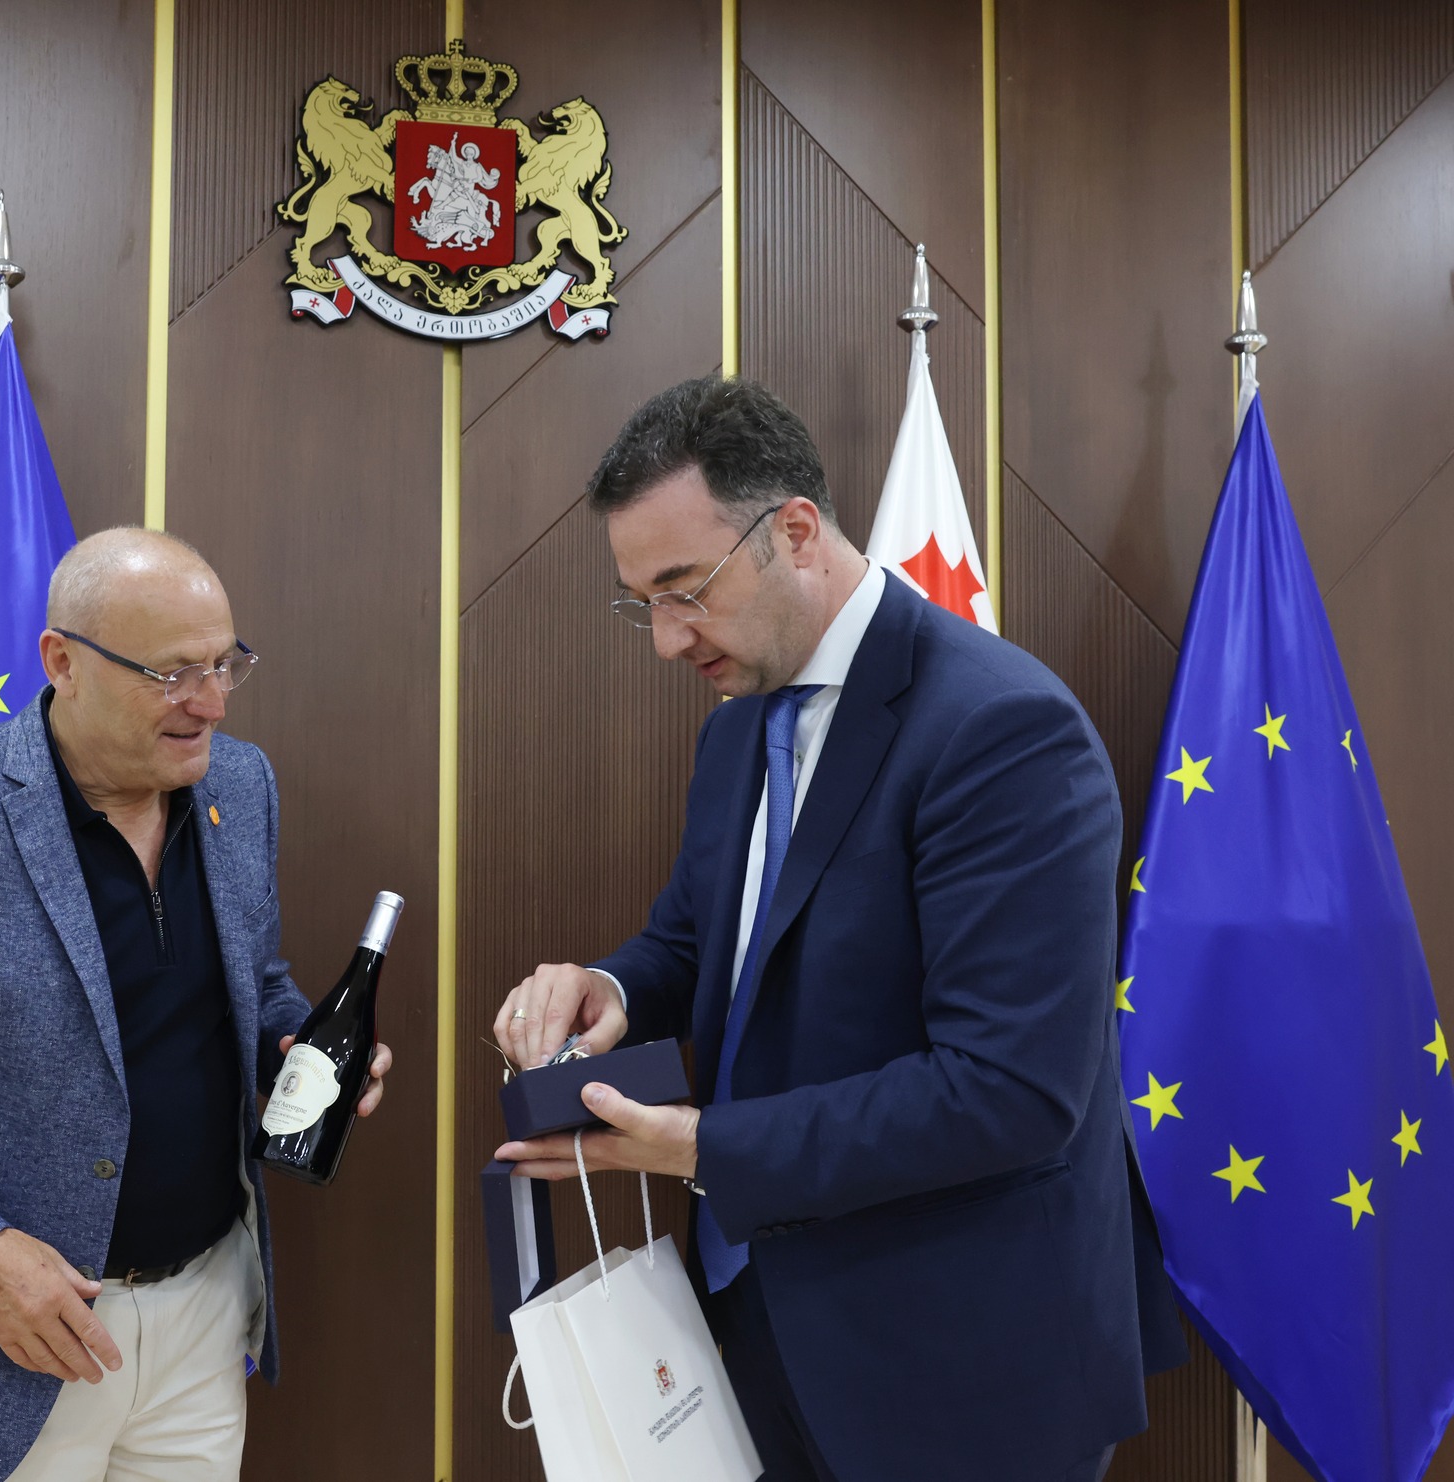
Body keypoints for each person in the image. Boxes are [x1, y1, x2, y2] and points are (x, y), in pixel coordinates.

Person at [492, 378, 1184, 1482]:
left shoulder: (1001, 729)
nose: (666, 640)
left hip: (960, 1363)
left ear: (796, 533)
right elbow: (702, 943)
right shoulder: (735, 731)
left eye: (684, 590)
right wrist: (609, 988)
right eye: (641, 605)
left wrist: (702, 1148)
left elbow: (1007, 1090)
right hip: (763, 1324)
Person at [0, 528, 391, 1482]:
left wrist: (298, 1050)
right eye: (173, 674)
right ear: (62, 661)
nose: (212, 703)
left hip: (203, 1319)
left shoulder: (240, 783)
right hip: (2, 1350)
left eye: (225, 664)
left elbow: (250, 982)